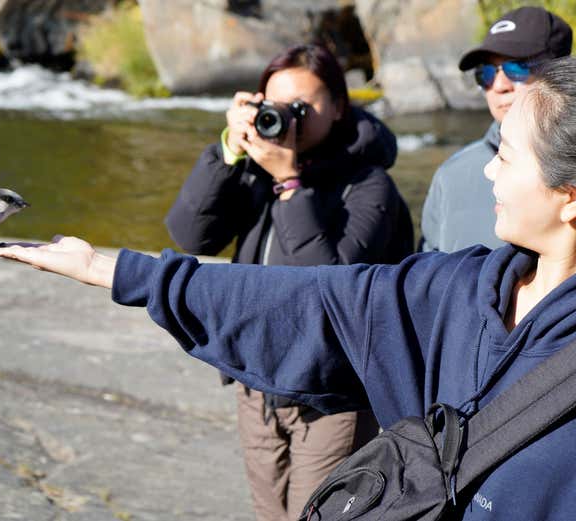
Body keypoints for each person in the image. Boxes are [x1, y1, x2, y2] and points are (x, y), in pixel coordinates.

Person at [0, 56, 576, 519]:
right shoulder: (456, 292)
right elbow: (299, 297)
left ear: (573, 195)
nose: (487, 172)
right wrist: (108, 268)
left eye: (508, 156)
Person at [163, 44, 414, 521]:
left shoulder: (369, 186)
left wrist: (291, 184)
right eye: (275, 105)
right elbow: (190, 235)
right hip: (256, 382)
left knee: (314, 515)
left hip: (332, 394)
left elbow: (322, 286)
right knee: (269, 513)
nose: (288, 118)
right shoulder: (255, 168)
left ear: (339, 107)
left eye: (303, 107)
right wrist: (226, 152)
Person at [420, 6, 572, 252]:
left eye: (518, 68)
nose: (499, 85)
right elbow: (426, 273)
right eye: (486, 73)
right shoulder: (450, 176)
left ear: (562, 73)